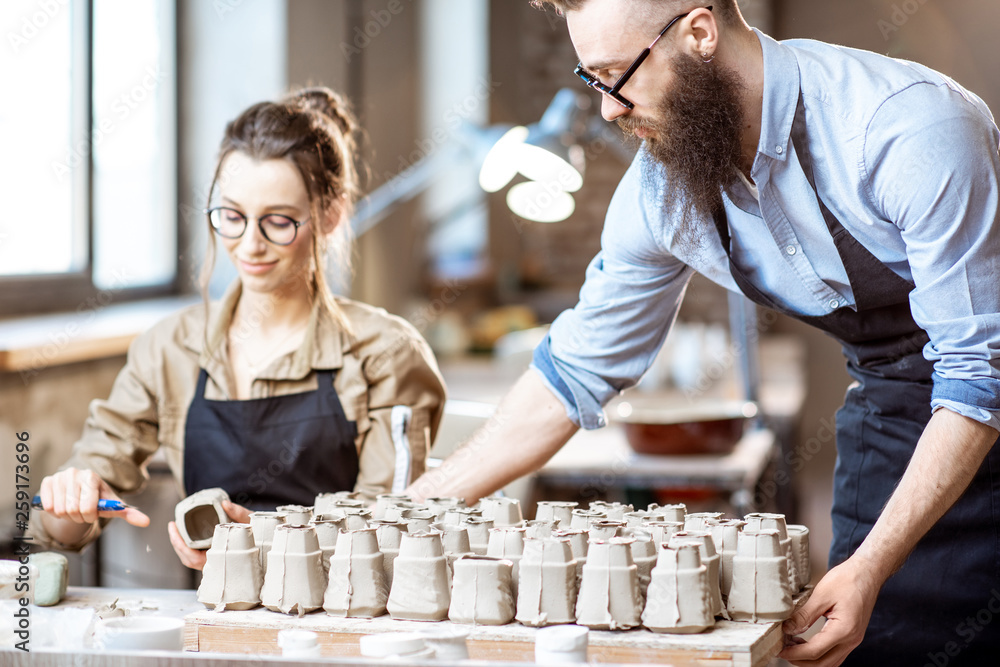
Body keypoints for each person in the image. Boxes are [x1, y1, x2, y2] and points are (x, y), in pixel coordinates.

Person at [406, 2, 1000, 665]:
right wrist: (417, 504)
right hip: (896, 413)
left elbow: (979, 372)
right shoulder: (660, 194)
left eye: (615, 75)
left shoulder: (905, 128)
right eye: (592, 79)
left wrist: (874, 563)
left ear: (698, 32)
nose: (606, 109)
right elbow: (572, 371)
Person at [32, 87, 447, 571]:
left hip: (345, 626)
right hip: (215, 621)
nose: (250, 244)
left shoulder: (386, 354)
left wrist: (265, 543)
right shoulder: (169, 348)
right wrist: (70, 502)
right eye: (232, 216)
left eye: (278, 221)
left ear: (330, 216)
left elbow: (389, 533)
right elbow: (58, 534)